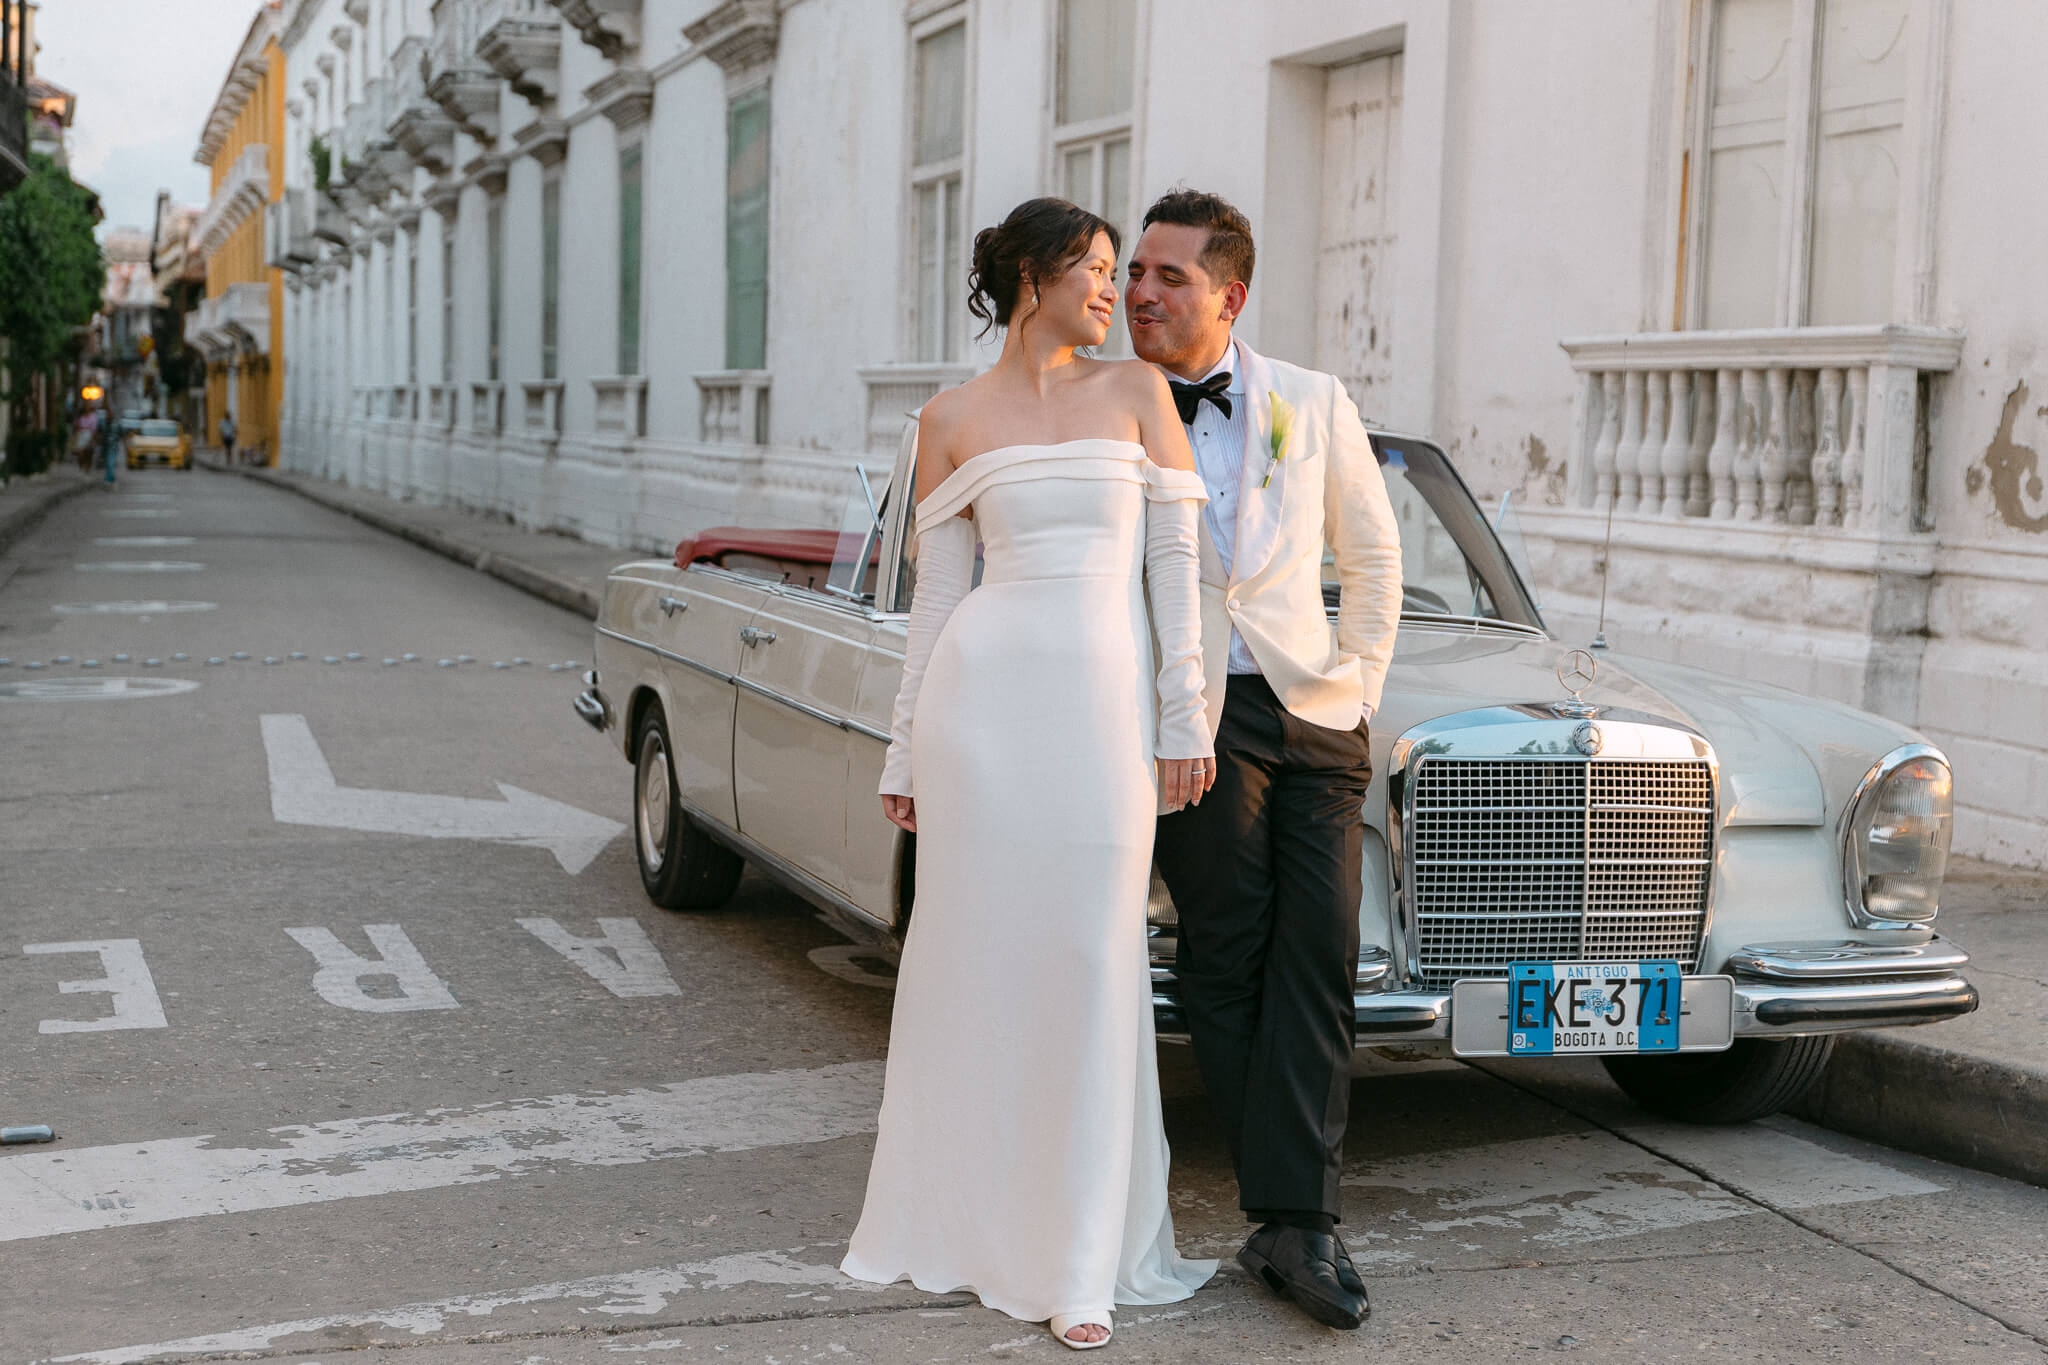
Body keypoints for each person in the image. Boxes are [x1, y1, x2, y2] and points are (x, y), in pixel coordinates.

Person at [842, 197, 1218, 1351]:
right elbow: (937, 599)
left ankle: (1079, 1258)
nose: (1115, 290)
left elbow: (1173, 567)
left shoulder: (1137, 393)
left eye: (1117, 270)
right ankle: (978, 1224)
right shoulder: (948, 418)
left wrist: (1184, 717)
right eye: (1095, 268)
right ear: (1028, 275)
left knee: (1092, 960)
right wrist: (904, 745)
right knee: (979, 964)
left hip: (1101, 720)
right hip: (981, 718)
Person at [1128, 189, 1403, 1331]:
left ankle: (1292, 1219)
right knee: (1229, 953)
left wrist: (1358, 691)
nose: (1140, 293)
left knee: (1320, 952)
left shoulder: (1311, 398)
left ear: (1228, 295)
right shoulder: (1111, 406)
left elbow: (1372, 557)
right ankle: (1296, 1220)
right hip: (1195, 719)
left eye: (1169, 277)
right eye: (1134, 272)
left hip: (1314, 711)